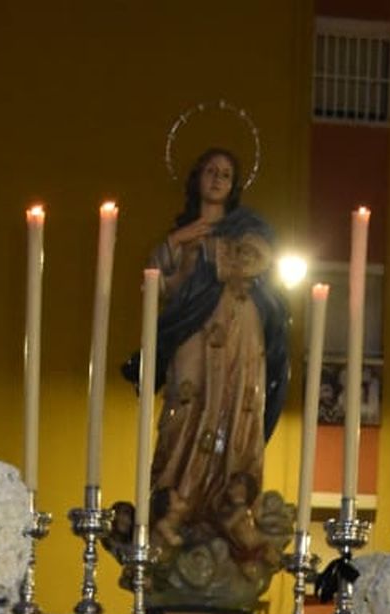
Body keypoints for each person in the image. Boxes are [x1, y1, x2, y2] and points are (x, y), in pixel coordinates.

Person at [125, 148, 289, 570]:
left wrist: (214, 253)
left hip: (240, 329)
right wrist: (177, 242)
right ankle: (175, 501)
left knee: (237, 411)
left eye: (227, 174)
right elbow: (156, 288)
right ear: (197, 179)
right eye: (211, 172)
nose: (218, 179)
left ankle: (228, 503)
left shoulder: (246, 229)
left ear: (234, 186)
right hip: (192, 332)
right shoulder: (183, 235)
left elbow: (258, 261)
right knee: (186, 406)